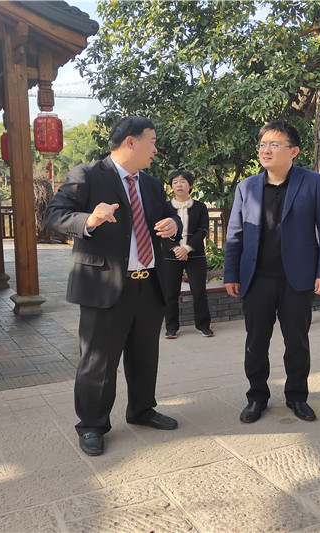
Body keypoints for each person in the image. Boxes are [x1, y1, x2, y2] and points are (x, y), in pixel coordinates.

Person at [43, 116, 182, 456]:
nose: (156, 148)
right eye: (152, 141)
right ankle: (92, 425)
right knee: (98, 362)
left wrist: (173, 223)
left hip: (148, 284)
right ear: (131, 142)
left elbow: (169, 215)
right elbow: (53, 214)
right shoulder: (88, 175)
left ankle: (142, 410)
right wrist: (89, 219)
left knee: (145, 355)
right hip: (104, 284)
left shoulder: (151, 184)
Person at [224, 120, 320, 424]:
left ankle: (297, 396)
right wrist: (231, 274)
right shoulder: (247, 186)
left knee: (297, 342)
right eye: (263, 144)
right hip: (257, 278)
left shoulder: (313, 182)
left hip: (296, 279)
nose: (266, 150)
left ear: (294, 151)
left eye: (275, 144)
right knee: (255, 342)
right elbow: (235, 234)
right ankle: (257, 397)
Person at [162, 170, 213, 339]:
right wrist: (176, 248)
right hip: (171, 255)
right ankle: (171, 328)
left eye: (183, 181)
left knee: (199, 292)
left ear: (190, 185)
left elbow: (203, 229)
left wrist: (187, 248)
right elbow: (160, 230)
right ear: (171, 186)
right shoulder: (165, 208)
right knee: (170, 293)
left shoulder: (200, 207)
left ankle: (203, 325)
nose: (179, 185)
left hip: (195, 254)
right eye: (175, 182)